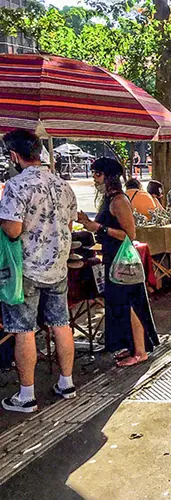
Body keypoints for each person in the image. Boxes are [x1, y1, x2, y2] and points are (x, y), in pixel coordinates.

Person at [0, 130, 78, 413]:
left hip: (26, 270)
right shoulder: (62, 185)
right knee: (61, 324)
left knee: (24, 330)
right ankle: (66, 382)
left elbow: (12, 229)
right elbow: (69, 225)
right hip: (57, 267)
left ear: (14, 156)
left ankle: (26, 395)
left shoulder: (16, 186)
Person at [78, 159, 159, 367]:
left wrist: (99, 228)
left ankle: (140, 351)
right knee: (120, 305)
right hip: (112, 258)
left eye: (97, 174)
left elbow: (129, 234)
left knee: (131, 305)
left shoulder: (119, 200)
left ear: (109, 176)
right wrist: (88, 224)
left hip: (122, 260)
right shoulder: (109, 199)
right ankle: (131, 347)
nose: (94, 178)